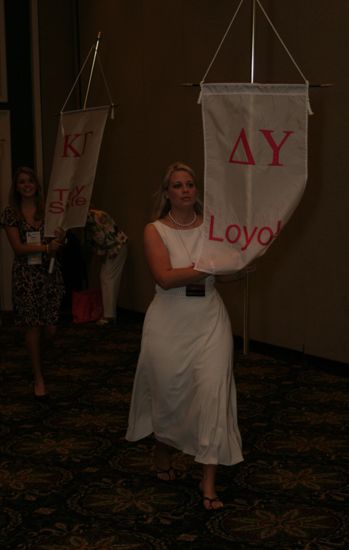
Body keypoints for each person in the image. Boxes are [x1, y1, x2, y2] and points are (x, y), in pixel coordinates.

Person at [126, 162, 243, 510]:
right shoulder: (154, 230)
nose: (185, 190)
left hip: (209, 320)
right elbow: (164, 277)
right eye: (177, 185)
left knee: (212, 393)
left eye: (190, 184)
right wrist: (212, 267)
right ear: (167, 193)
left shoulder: (213, 229)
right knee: (169, 393)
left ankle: (208, 482)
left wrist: (242, 266)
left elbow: (222, 277)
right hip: (168, 321)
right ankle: (163, 451)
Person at [0, 166, 65, 398]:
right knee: (33, 325)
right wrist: (45, 247)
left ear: (37, 185)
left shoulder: (49, 210)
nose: (26, 185)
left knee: (51, 327)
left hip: (48, 274)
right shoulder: (10, 213)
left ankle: (43, 352)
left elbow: (57, 241)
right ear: (16, 187)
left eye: (30, 181)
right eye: (21, 182)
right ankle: (38, 376)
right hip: (26, 276)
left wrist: (59, 238)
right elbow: (18, 248)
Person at [84, 208, 128, 325]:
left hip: (114, 247)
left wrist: (99, 255)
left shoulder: (92, 218)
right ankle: (109, 314)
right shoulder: (95, 214)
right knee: (107, 278)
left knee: (107, 279)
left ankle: (108, 316)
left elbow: (100, 238)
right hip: (117, 246)